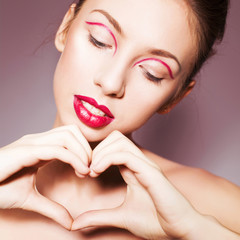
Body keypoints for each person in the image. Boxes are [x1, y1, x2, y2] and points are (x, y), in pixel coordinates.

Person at [0, 0, 240, 239]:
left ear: (175, 98)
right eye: (99, 40)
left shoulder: (212, 204)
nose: (111, 83)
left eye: (152, 73)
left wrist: (192, 228)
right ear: (65, 28)